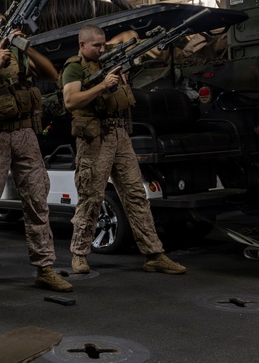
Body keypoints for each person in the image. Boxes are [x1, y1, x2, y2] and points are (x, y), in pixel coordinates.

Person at [0, 10, 72, 293]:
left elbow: (51, 74)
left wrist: (26, 48)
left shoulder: (20, 57)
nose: (0, 30)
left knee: (37, 201)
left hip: (25, 134)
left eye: (4, 25)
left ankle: (44, 267)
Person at [60, 24, 186, 275]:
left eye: (103, 44)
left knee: (136, 196)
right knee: (91, 198)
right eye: (96, 45)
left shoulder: (111, 62)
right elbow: (71, 100)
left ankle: (153, 254)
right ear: (82, 45)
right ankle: (79, 254)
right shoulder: (75, 66)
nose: (101, 48)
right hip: (95, 138)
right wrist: (103, 86)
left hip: (120, 134)